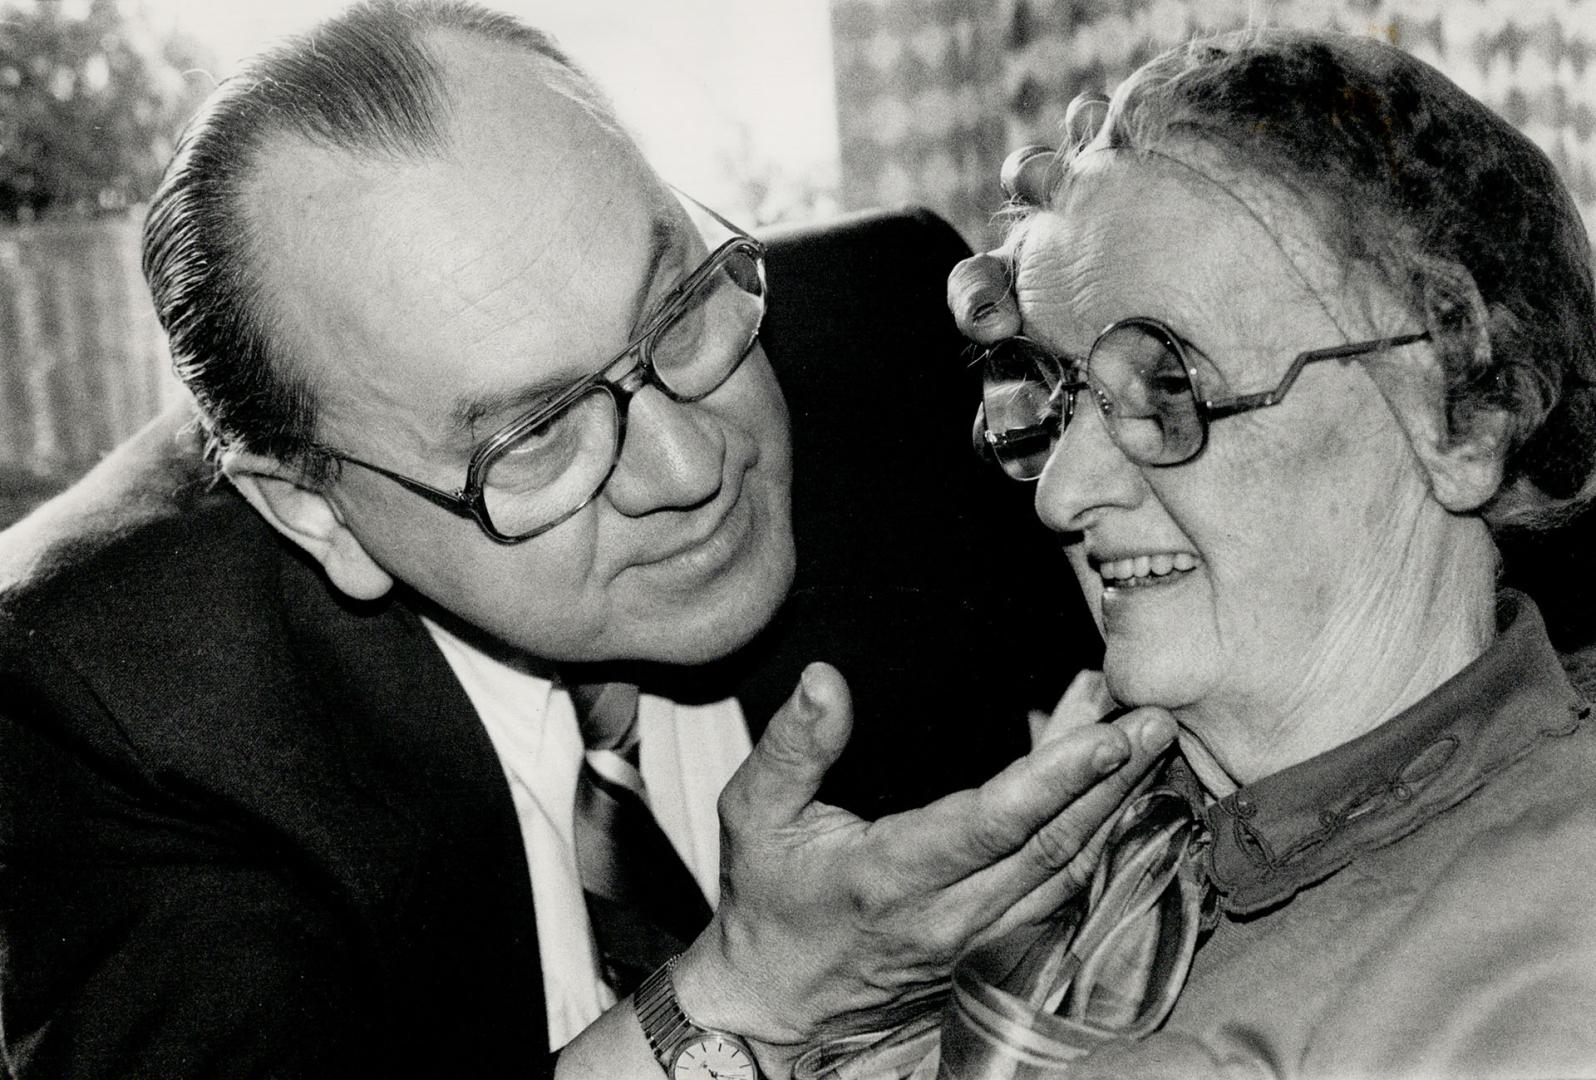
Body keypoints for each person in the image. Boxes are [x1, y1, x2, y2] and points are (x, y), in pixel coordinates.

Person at [0, 3, 1178, 1079]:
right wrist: (746, 1000)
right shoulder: (105, 693)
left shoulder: (888, 328)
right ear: (312, 508)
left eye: (674, 307)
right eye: (535, 433)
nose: (694, 465)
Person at [942, 26, 1596, 1079]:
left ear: (1463, 420)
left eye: (1169, 388)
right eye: (1059, 399)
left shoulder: (1547, 953)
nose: (1062, 492)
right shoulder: (1107, 857)